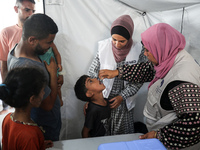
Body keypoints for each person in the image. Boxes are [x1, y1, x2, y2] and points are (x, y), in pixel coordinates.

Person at [99, 23, 200, 149]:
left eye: (148, 50)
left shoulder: (182, 82)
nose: (145, 54)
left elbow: (195, 124)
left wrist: (160, 136)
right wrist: (118, 72)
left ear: (161, 48)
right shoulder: (169, 56)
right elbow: (148, 69)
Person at [88, 15, 147, 135]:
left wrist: (122, 96)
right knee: (102, 133)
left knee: (121, 136)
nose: (117, 44)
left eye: (122, 41)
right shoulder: (104, 47)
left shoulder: (139, 50)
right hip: (102, 100)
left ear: (129, 37)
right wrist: (93, 97)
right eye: (114, 39)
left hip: (123, 102)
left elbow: (139, 78)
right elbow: (92, 72)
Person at [7, 13, 62, 141]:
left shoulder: (16, 49)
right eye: (49, 42)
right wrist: (53, 75)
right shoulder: (30, 67)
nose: (50, 46)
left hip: (43, 123)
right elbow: (47, 105)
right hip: (43, 126)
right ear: (32, 40)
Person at [1, 67, 53, 150]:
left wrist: (38, 144)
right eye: (42, 90)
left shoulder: (7, 119)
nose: (43, 93)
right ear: (32, 99)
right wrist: (32, 143)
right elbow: (25, 139)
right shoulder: (30, 135)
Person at [0, 0, 35, 115]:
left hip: (36, 87)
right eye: (27, 10)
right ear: (16, 9)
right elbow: (4, 63)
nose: (30, 14)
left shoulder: (38, 32)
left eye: (33, 11)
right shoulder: (6, 32)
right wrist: (7, 87)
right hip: (17, 89)